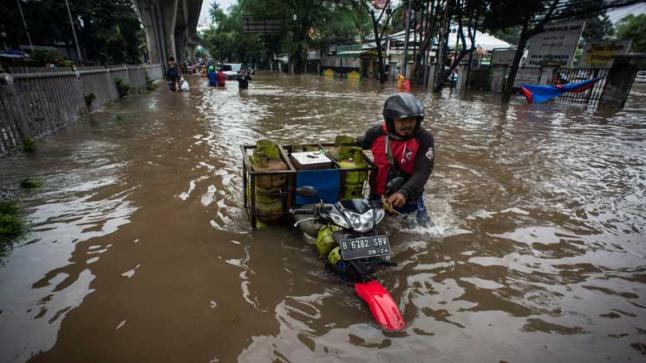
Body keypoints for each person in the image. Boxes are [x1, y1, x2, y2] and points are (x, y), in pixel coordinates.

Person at [358, 93, 434, 226]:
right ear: (390, 120)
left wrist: (404, 193)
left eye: (412, 120)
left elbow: (423, 171)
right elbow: (357, 144)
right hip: (377, 197)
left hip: (410, 198)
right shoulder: (376, 134)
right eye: (402, 120)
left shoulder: (424, 139)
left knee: (424, 234)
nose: (407, 125)